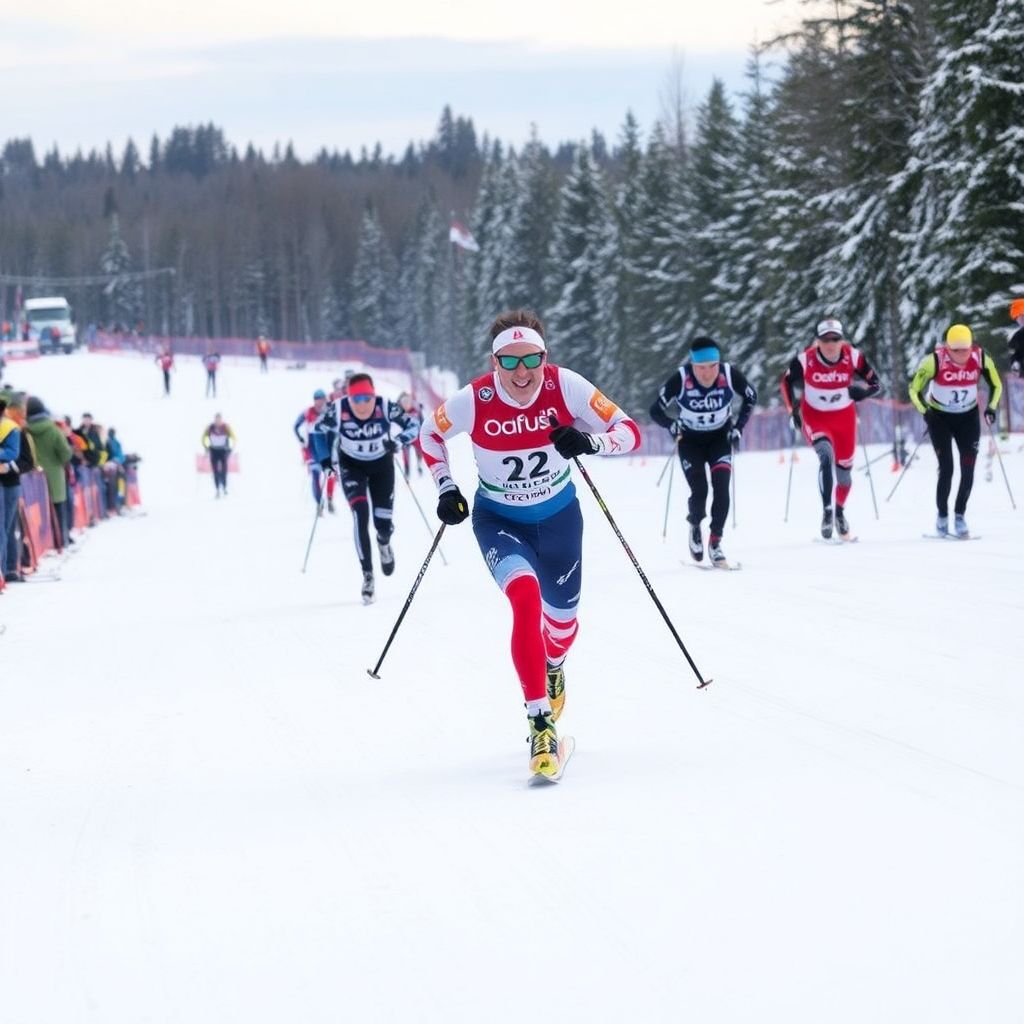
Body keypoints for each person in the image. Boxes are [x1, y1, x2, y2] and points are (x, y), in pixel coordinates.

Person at [419, 310, 641, 778]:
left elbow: (629, 432)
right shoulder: (473, 398)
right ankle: (540, 722)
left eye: (531, 359)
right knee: (525, 599)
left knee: (561, 624)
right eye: (509, 361)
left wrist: (588, 442)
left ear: (545, 357)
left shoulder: (568, 386)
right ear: (494, 361)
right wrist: (445, 486)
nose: (522, 372)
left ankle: (554, 663)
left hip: (559, 519)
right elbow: (429, 434)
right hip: (499, 519)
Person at [649, 337, 757, 566]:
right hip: (690, 442)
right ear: (692, 365)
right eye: (701, 368)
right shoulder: (680, 379)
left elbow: (751, 396)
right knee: (700, 489)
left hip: (720, 439)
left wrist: (738, 428)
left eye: (712, 367)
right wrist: (671, 424)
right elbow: (655, 409)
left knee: (721, 486)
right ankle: (695, 524)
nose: (707, 373)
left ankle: (715, 542)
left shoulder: (729, 375)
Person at [317, 373, 419, 603]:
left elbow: (414, 424)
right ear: (349, 398)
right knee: (360, 515)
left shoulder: (385, 406)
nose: (361, 404)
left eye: (366, 398)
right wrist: (324, 459)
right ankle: (368, 576)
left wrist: (399, 441)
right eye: (356, 399)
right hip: (351, 466)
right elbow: (317, 431)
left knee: (382, 524)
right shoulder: (338, 409)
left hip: (382, 466)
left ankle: (384, 542)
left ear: (373, 395)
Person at [781, 317, 881, 540]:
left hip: (844, 418)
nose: (830, 344)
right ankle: (827, 512)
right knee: (825, 455)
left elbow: (876, 384)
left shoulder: (853, 357)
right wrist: (793, 409)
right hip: (815, 417)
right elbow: (785, 382)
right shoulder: (805, 359)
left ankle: (839, 512)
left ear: (841, 340)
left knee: (844, 475)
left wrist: (863, 392)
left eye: (835, 339)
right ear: (817, 341)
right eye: (825, 340)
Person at [909, 323, 1002, 538]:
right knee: (947, 468)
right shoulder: (934, 361)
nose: (961, 355)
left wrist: (991, 408)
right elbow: (914, 389)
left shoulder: (980, 358)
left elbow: (996, 385)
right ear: (947, 348)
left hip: (968, 418)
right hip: (940, 418)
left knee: (968, 469)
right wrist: (925, 411)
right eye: (956, 350)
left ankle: (959, 516)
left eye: (965, 349)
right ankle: (942, 516)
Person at [25, 396, 73, 546]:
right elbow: (65, 453)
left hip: (32, 478)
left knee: (39, 513)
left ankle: (43, 545)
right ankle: (61, 541)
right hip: (54, 477)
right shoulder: (53, 429)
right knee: (58, 510)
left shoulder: (25, 430)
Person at [294, 390, 336, 513]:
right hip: (312, 449)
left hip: (326, 447)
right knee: (315, 475)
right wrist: (301, 439)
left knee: (330, 475)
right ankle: (319, 503)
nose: (319, 402)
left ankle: (329, 498)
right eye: (317, 399)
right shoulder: (308, 412)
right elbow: (295, 426)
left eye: (322, 399)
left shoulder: (330, 412)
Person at [202, 413, 236, 497]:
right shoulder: (210, 427)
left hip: (223, 450)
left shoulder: (226, 427)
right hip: (213, 451)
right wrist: (206, 446)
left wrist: (230, 447)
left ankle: (224, 487)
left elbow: (233, 438)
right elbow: (204, 438)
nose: (218, 421)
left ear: (221, 420)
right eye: (217, 419)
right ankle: (217, 488)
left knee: (224, 470)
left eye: (219, 419)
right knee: (215, 471)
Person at [396, 392, 425, 478]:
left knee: (419, 450)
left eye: (408, 402)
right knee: (405, 453)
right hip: (405, 436)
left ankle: (419, 464)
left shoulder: (416, 409)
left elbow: (422, 420)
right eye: (404, 403)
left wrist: (422, 430)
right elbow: (394, 425)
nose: (406, 405)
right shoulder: (398, 411)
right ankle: (407, 470)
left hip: (416, 435)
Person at [1007, 298, 1024, 377]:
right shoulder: (1017, 337)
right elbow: (1014, 355)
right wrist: (1015, 363)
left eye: (1022, 317)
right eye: (1017, 318)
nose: (1020, 320)